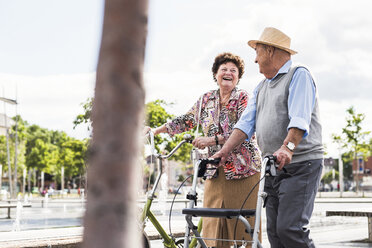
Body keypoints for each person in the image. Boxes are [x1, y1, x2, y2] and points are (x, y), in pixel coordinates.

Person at [212, 27, 324, 248]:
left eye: (257, 52)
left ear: (271, 51)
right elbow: (244, 125)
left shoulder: (298, 75)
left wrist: (288, 147)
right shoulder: (261, 87)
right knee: (274, 232)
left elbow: (299, 119)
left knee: (290, 229)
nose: (254, 60)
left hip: (301, 164)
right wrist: (223, 152)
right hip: (272, 167)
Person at [145, 52, 262, 247]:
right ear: (215, 74)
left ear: (238, 77)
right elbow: (186, 120)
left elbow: (244, 130)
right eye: (223, 69)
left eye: (233, 70)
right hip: (215, 170)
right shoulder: (207, 99)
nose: (228, 73)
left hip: (244, 170)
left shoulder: (243, 97)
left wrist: (211, 140)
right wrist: (155, 131)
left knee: (244, 226)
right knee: (212, 225)